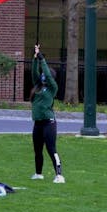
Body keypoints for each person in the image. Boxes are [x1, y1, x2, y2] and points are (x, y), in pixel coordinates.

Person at [30, 44, 63, 183]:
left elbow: (48, 75)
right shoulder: (38, 87)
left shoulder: (52, 88)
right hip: (37, 123)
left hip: (49, 123)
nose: (43, 76)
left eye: (45, 74)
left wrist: (42, 60)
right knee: (38, 150)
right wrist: (35, 58)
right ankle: (38, 173)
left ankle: (59, 175)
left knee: (51, 149)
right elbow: (33, 72)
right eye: (42, 74)